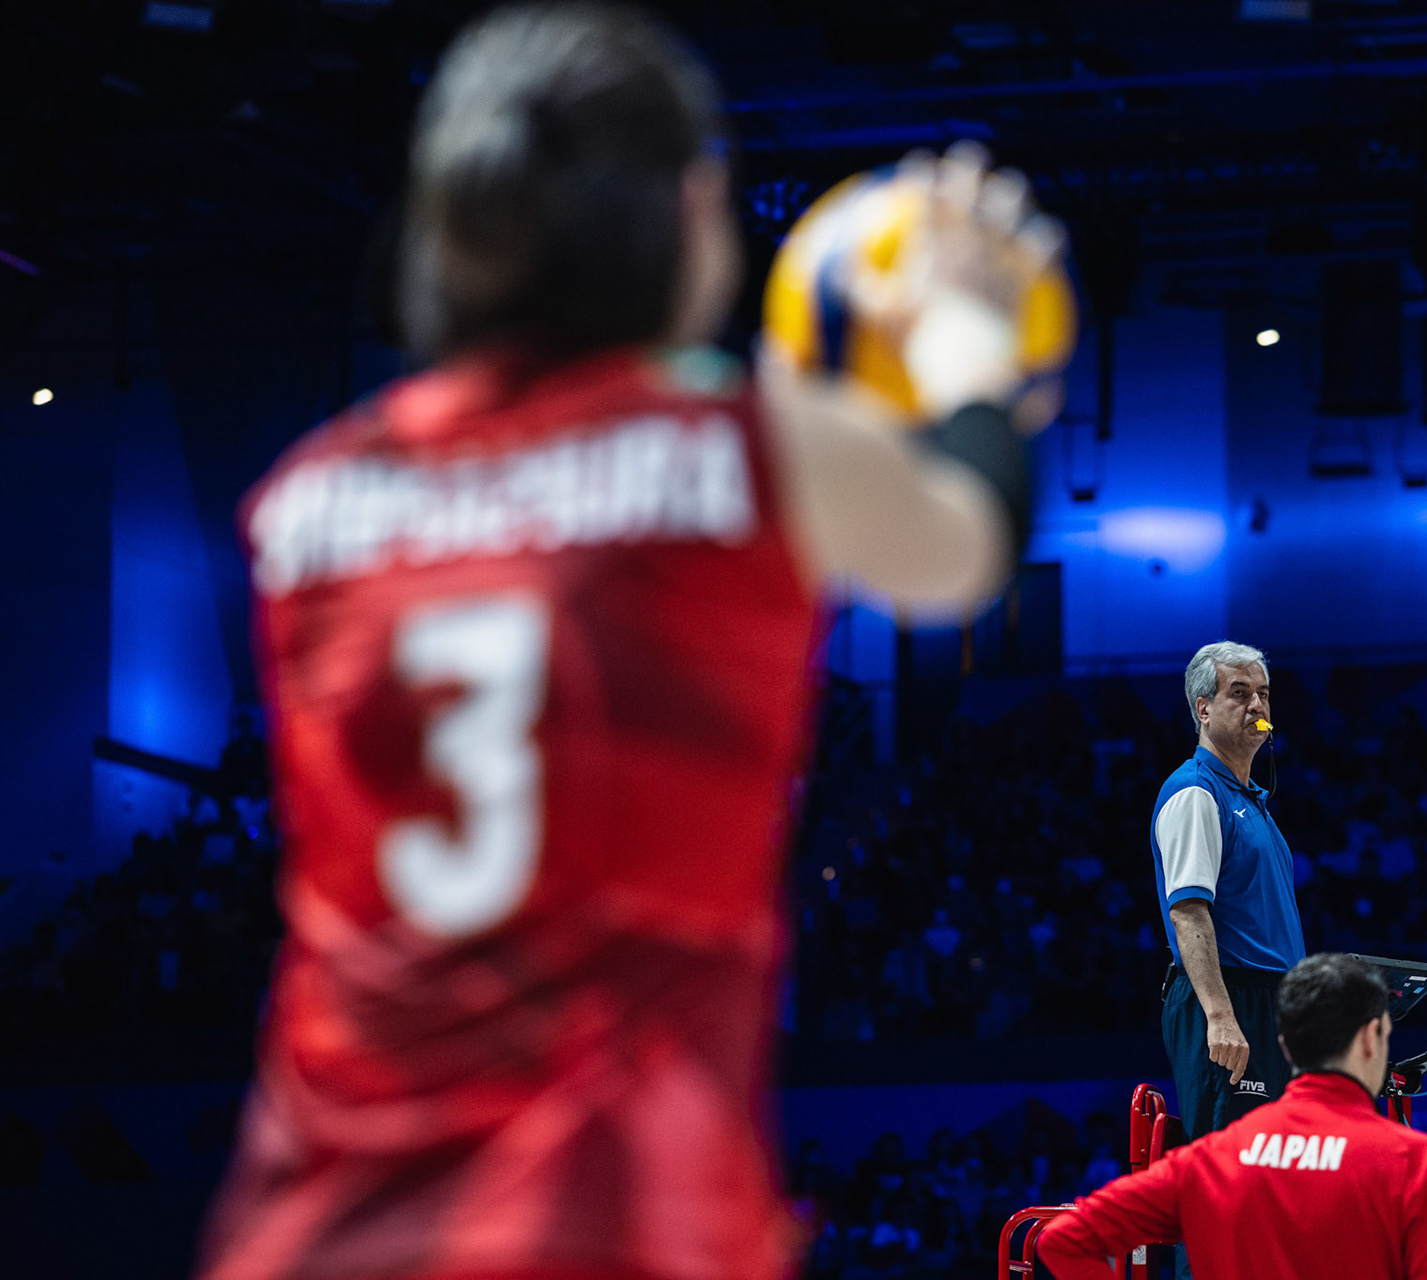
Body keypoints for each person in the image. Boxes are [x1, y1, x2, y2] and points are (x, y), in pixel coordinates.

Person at [194, 6, 1061, 1280]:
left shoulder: (302, 504)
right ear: (693, 208)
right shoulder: (749, 449)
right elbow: (966, 546)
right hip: (606, 1221)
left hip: (313, 1229)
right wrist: (968, 338)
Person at [1037, 953, 1427, 1280]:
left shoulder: (1208, 1159)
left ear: (1284, 1043)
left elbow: (1063, 1242)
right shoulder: (1419, 1165)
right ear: (1370, 1037)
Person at [1153, 642, 1304, 1138]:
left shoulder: (1251, 802)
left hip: (1267, 1004)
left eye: (1263, 694)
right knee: (1234, 1175)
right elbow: (1189, 913)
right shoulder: (1197, 792)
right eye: (1239, 693)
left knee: (1275, 1177)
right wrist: (1221, 1018)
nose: (1257, 706)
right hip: (1229, 1001)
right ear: (1203, 709)